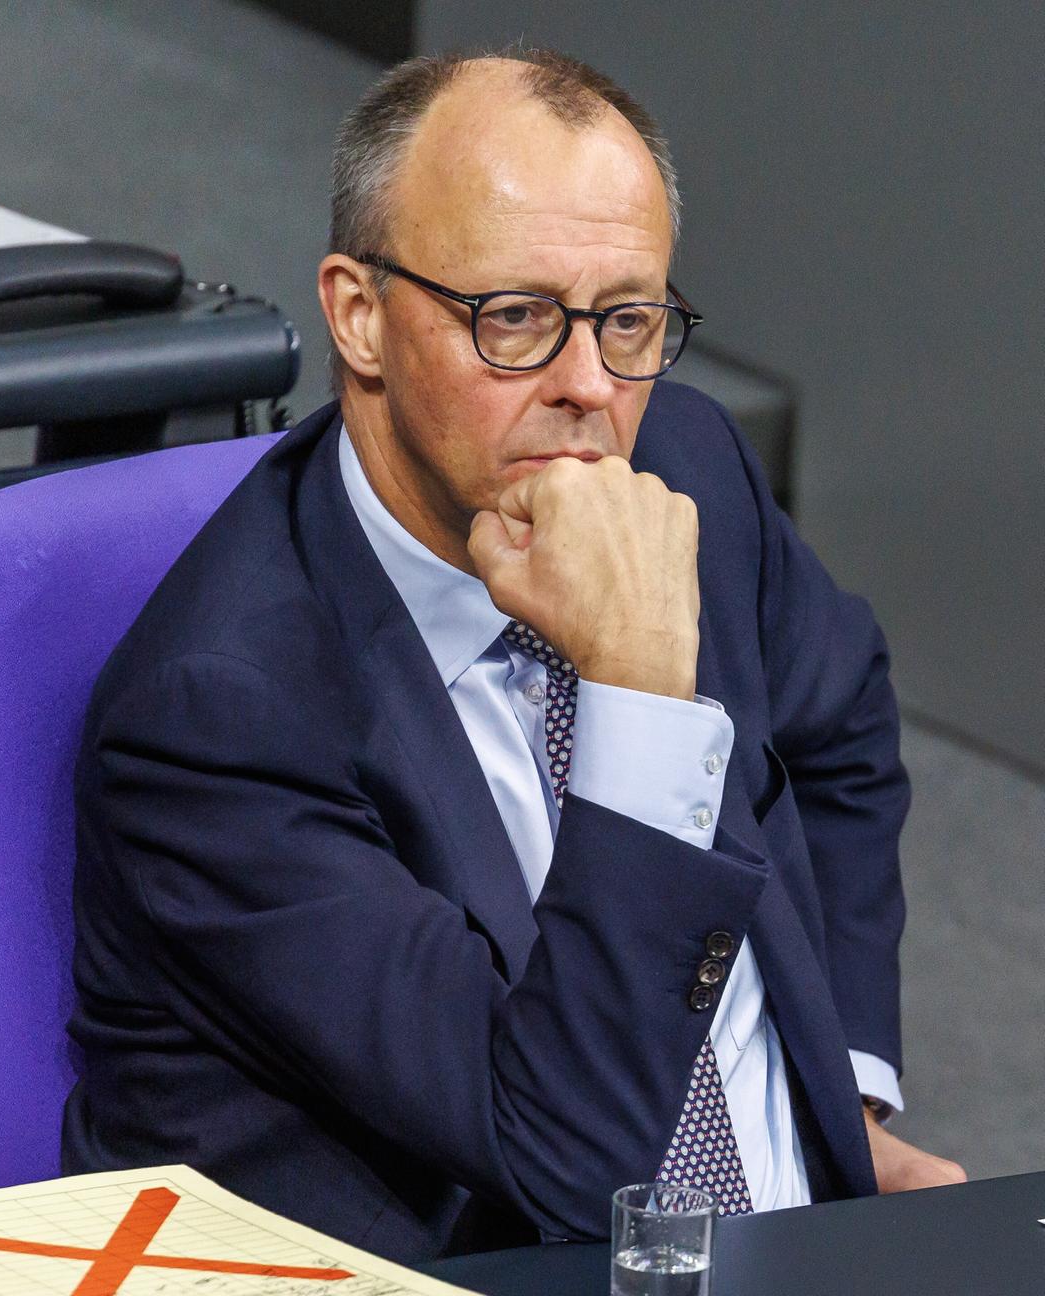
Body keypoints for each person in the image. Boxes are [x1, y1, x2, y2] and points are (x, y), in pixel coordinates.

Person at [64, 48, 964, 1261]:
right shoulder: (219, 718)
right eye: (518, 319)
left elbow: (841, 722)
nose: (591, 388)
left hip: (794, 1241)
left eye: (630, 319)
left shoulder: (686, 468)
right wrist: (639, 693)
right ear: (360, 316)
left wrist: (843, 1093)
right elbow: (570, 1161)